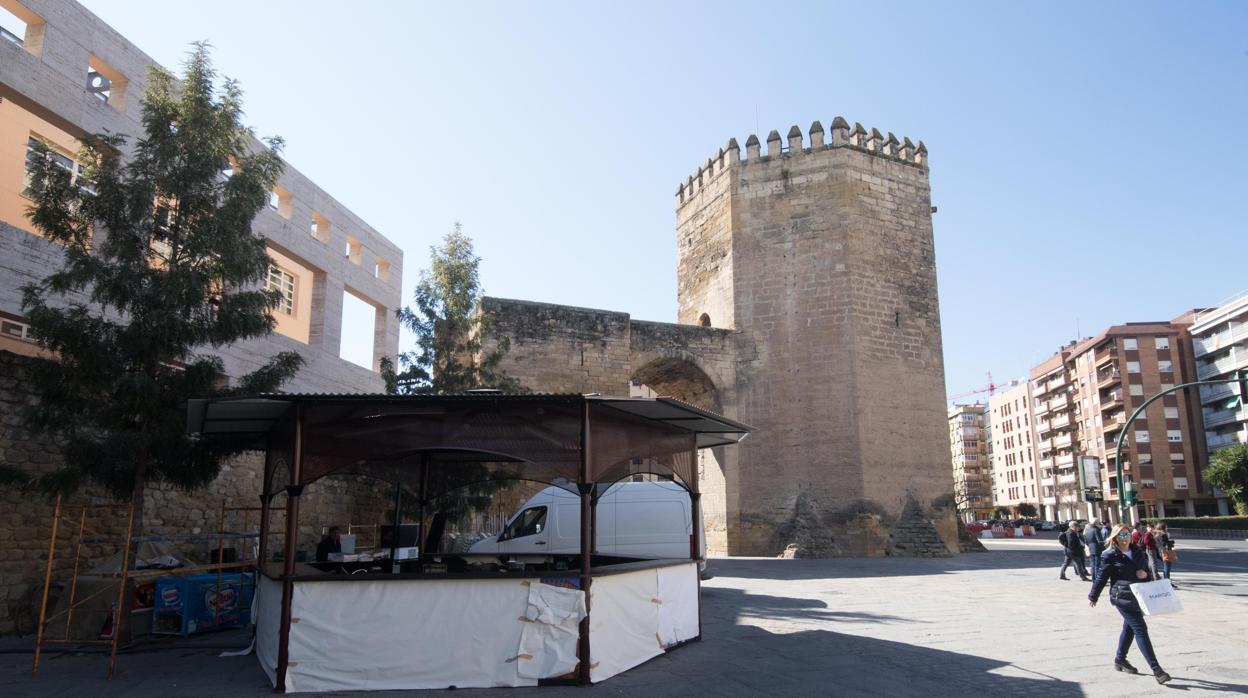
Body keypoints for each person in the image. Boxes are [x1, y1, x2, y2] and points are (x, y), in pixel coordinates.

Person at [1089, 523, 1170, 684]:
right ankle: (1157, 669)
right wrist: (1093, 596)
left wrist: (1144, 574)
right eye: (1121, 535)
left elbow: (1146, 573)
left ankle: (1120, 660)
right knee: (1140, 628)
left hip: (1138, 596)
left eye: (1127, 535)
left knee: (1130, 628)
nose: (1125, 538)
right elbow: (1102, 577)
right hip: (1122, 597)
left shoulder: (1138, 551)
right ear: (1115, 537)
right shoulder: (1110, 555)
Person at [1084, 518, 1106, 582]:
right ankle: (1097, 579)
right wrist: (1105, 542)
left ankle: (1094, 578)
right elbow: (1099, 541)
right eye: (1099, 522)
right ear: (1096, 523)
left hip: (1091, 548)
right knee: (1097, 565)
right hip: (1097, 549)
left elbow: (1086, 541)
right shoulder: (1096, 530)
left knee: (1093, 564)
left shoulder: (1087, 530)